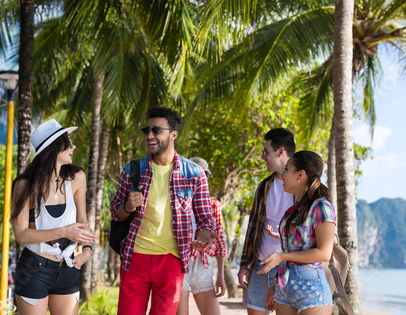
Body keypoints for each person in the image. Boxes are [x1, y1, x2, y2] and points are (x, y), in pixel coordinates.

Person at [110, 107, 217, 315]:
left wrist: (204, 236)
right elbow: (116, 212)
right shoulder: (133, 170)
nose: (150, 135)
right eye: (147, 130)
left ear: (173, 134)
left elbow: (205, 218)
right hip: (135, 257)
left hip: (172, 260)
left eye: (156, 130)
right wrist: (128, 207)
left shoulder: (194, 174)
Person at [11, 119, 96, 315]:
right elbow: (21, 235)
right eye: (68, 142)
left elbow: (83, 221)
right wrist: (64, 231)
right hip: (34, 268)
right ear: (54, 147)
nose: (73, 147)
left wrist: (87, 252)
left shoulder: (77, 178)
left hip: (68, 267)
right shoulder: (25, 185)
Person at [258, 151, 336, 314]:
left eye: (287, 169)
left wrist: (281, 257)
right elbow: (290, 252)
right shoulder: (292, 211)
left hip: (312, 291)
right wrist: (275, 286)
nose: (283, 174)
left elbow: (324, 253)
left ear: (300, 174)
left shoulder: (322, 206)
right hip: (284, 288)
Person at [238, 128, 296, 314]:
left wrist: (283, 232)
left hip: (289, 268)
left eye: (266, 152)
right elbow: (253, 227)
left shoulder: (304, 186)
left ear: (280, 152)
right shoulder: (264, 186)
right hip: (260, 266)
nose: (263, 157)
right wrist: (244, 264)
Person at [176, 157, 227, 315]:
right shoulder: (176, 203)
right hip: (180, 265)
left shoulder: (213, 204)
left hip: (203, 267)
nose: (201, 176)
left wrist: (221, 276)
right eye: (196, 172)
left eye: (206, 173)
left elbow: (220, 244)